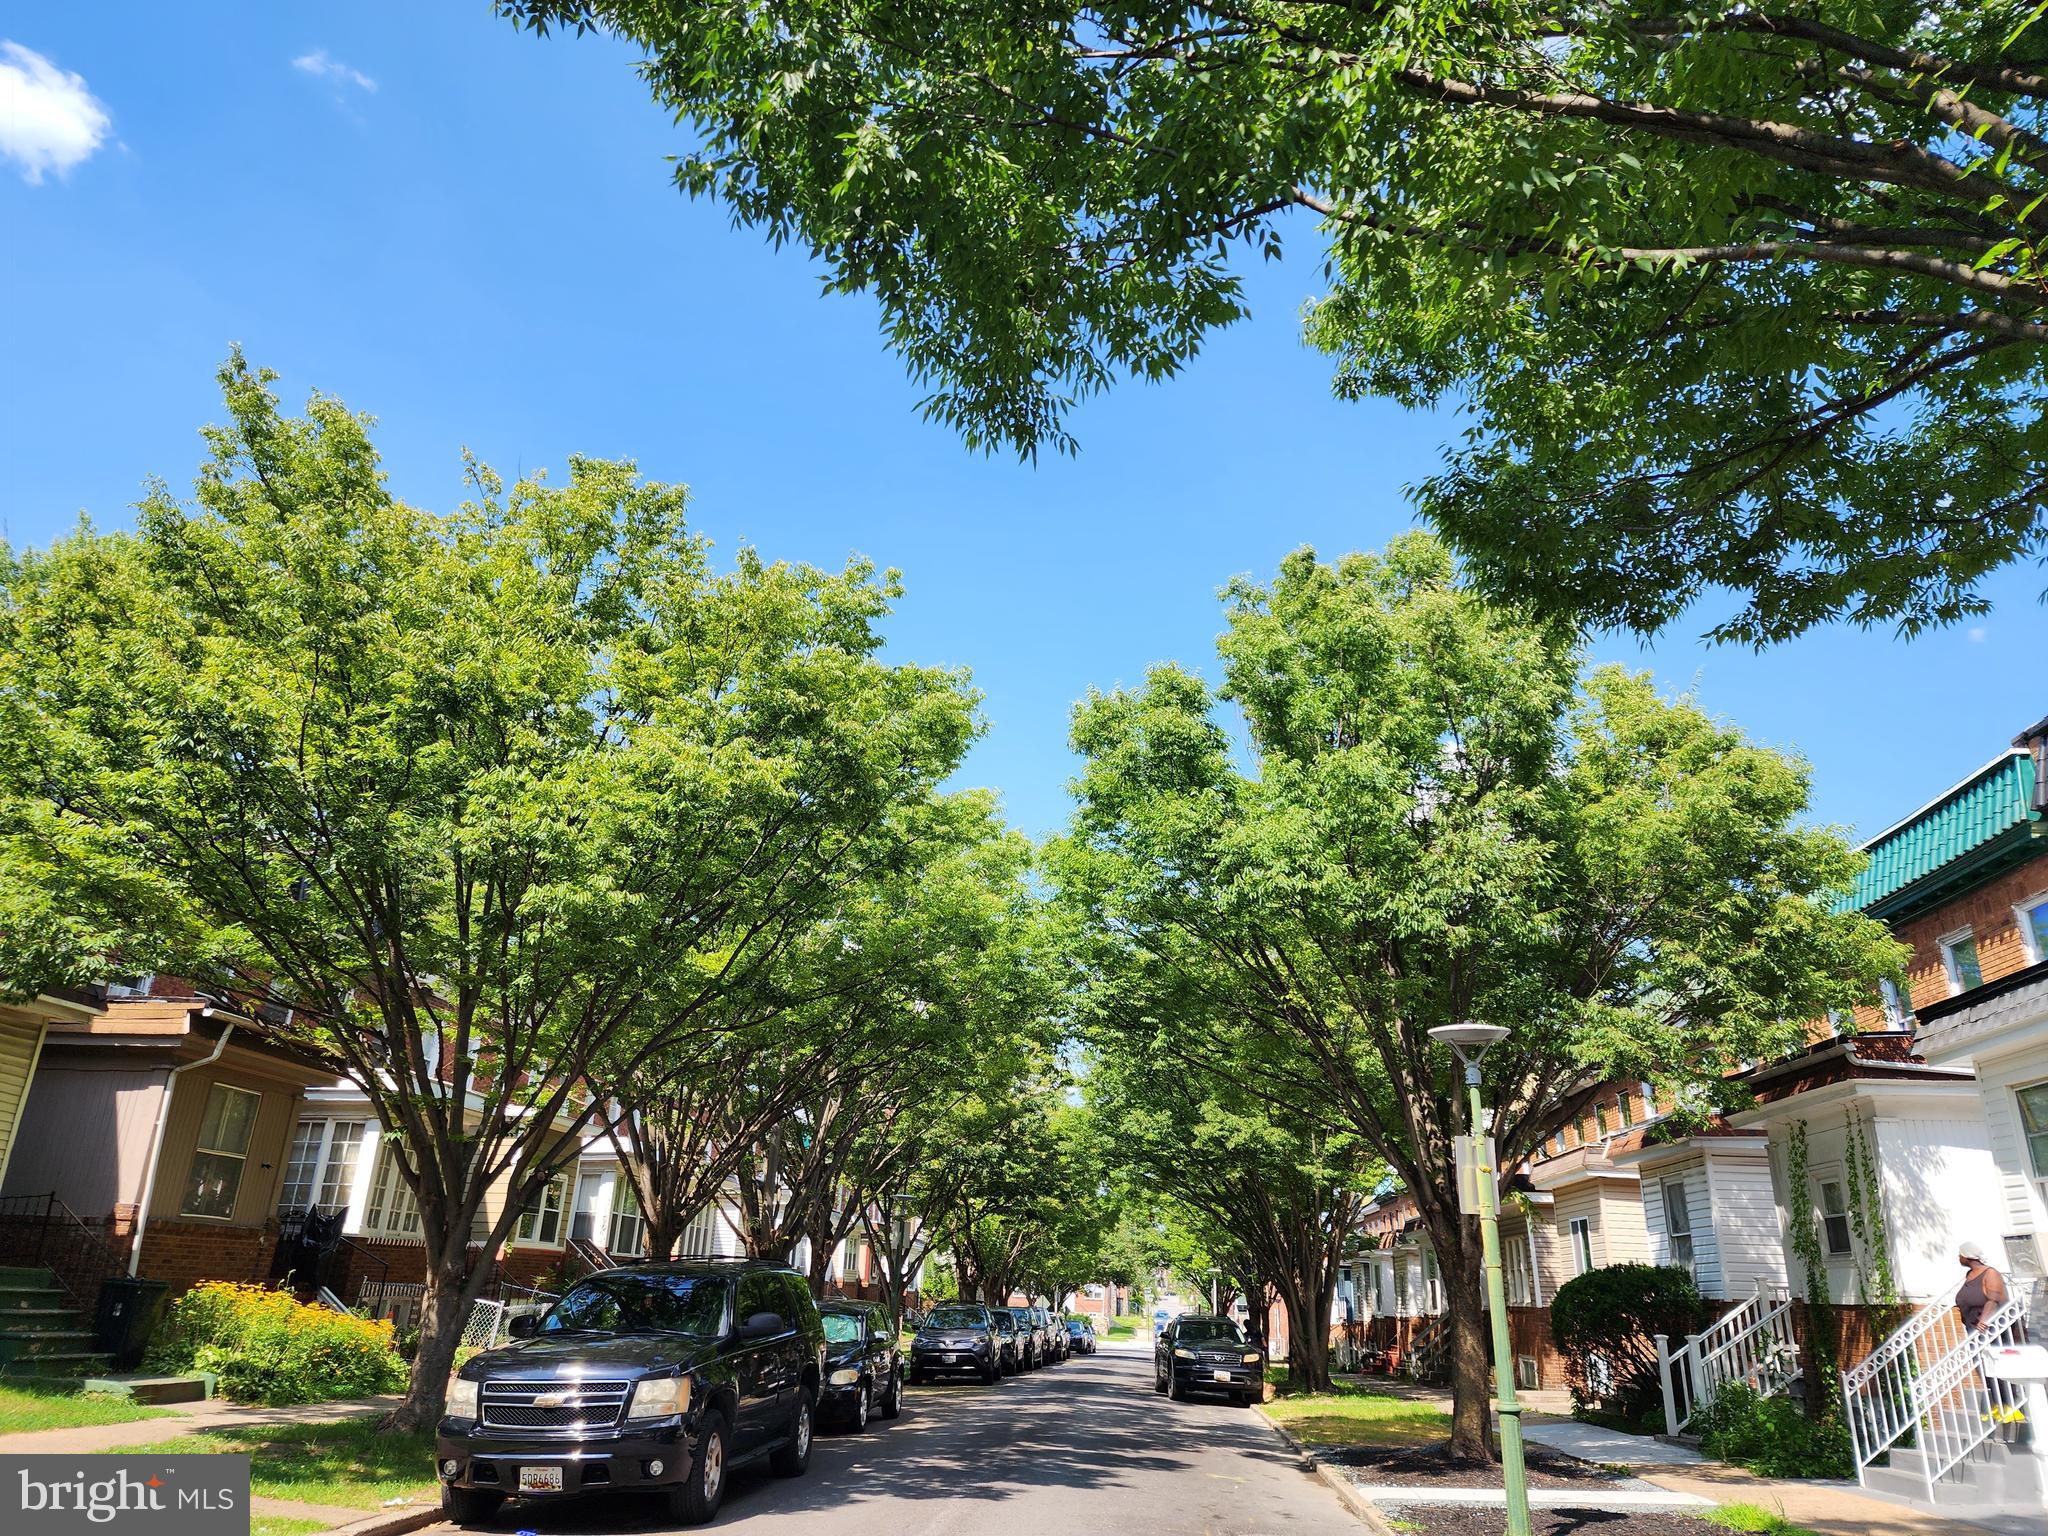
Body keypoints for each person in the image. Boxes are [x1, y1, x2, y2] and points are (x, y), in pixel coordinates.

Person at [1956, 1239, 2012, 1332]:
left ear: (1967, 1256)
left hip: (1988, 1328)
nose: (1959, 1257)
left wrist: (1983, 1320)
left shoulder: (1990, 1273)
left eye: (1960, 1255)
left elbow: (1994, 1299)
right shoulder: (1969, 1274)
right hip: (1972, 1326)